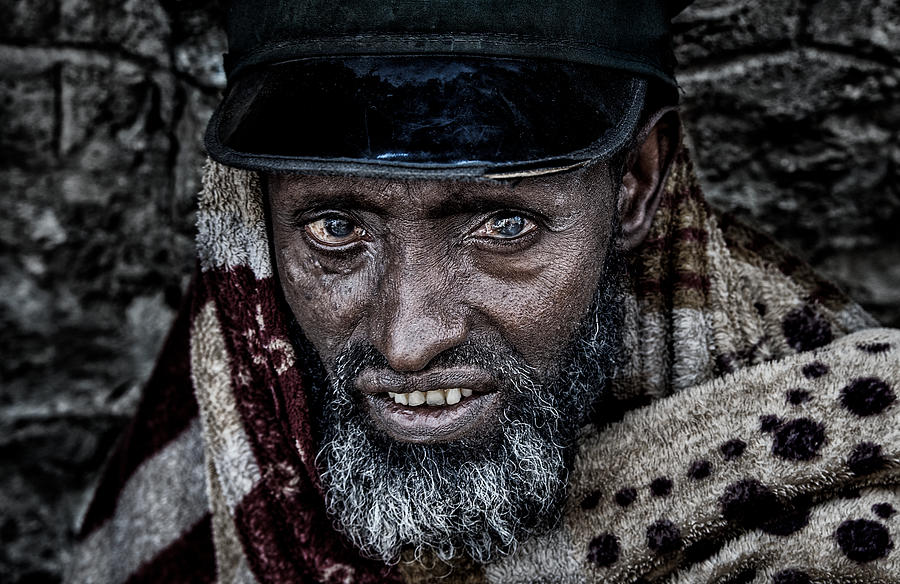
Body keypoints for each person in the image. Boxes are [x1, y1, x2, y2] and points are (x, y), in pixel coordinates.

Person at [69, 1, 900, 582]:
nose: (407, 339)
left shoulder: (845, 499)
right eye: (333, 229)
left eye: (504, 227)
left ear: (637, 185)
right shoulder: (236, 392)